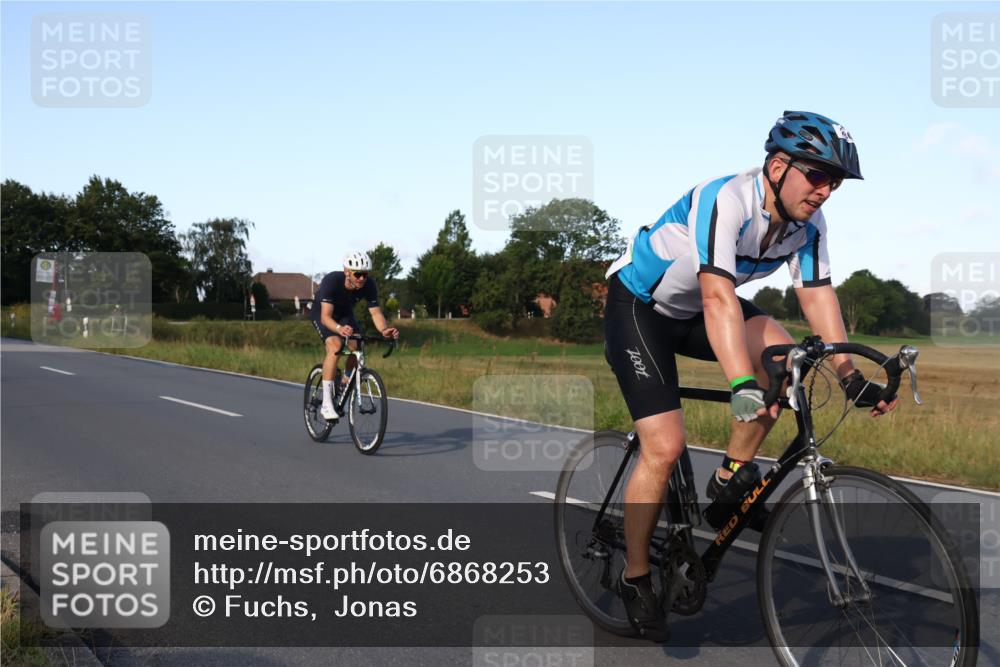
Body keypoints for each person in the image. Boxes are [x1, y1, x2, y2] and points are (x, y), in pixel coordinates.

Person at [603, 111, 899, 641]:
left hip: (696, 311)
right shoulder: (728, 200)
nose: (826, 191)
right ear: (779, 165)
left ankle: (728, 479)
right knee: (665, 446)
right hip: (641, 309)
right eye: (818, 175)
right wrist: (741, 383)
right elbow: (718, 295)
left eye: (835, 182)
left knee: (787, 360)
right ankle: (635, 577)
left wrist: (850, 374)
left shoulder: (808, 225)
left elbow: (817, 294)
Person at [312, 251, 399, 421]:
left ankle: (345, 382)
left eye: (365, 274)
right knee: (335, 346)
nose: (361, 278)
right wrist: (338, 329)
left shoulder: (369, 285)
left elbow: (375, 313)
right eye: (357, 274)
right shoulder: (332, 281)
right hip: (325, 315)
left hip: (345, 314)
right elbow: (325, 317)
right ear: (347, 271)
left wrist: (384, 330)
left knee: (357, 345)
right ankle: (327, 403)